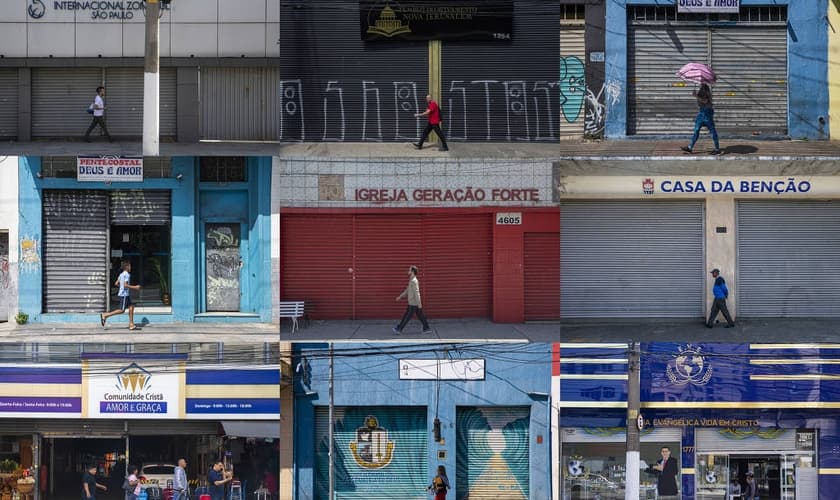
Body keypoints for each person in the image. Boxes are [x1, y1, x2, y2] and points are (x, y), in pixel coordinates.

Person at [681, 83, 721, 155]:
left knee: (712, 131)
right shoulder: (700, 92)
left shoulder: (707, 93)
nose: (700, 87)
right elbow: (700, 102)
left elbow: (705, 101)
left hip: (707, 114)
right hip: (701, 114)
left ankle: (717, 149)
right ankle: (690, 148)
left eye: (701, 86)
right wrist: (696, 95)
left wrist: (696, 96)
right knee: (696, 130)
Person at [101, 260, 141, 330]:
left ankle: (131, 324)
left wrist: (121, 287)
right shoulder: (127, 275)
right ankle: (105, 315)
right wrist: (135, 287)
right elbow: (125, 285)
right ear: (127, 267)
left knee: (131, 307)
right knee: (121, 310)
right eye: (130, 266)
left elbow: (116, 283)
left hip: (125, 294)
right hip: (124, 295)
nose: (130, 267)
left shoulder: (121, 274)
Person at [392, 265, 432, 335]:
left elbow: (417, 293)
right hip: (413, 303)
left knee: (407, 317)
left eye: (409, 270)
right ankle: (427, 328)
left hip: (413, 304)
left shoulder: (414, 281)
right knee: (420, 316)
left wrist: (419, 305)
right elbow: (407, 290)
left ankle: (399, 329)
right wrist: (400, 296)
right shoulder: (411, 280)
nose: (408, 271)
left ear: (412, 271)